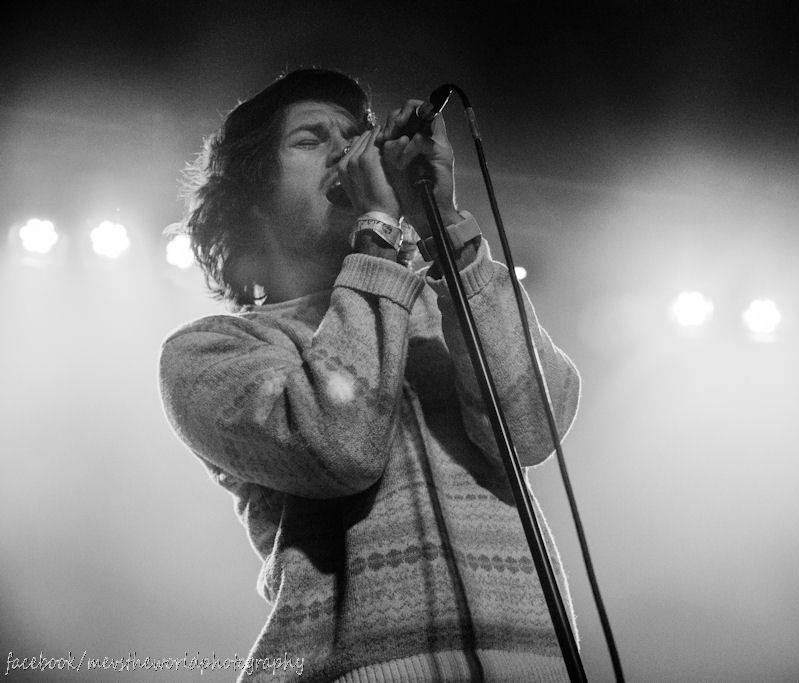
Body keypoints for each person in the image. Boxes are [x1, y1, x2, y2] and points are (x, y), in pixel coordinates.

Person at [158, 68, 581, 682]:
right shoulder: (214, 350)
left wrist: (446, 229)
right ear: (251, 195)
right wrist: (379, 232)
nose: (347, 153)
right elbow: (341, 443)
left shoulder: (447, 308)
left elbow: (535, 428)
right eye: (311, 139)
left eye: (357, 135)